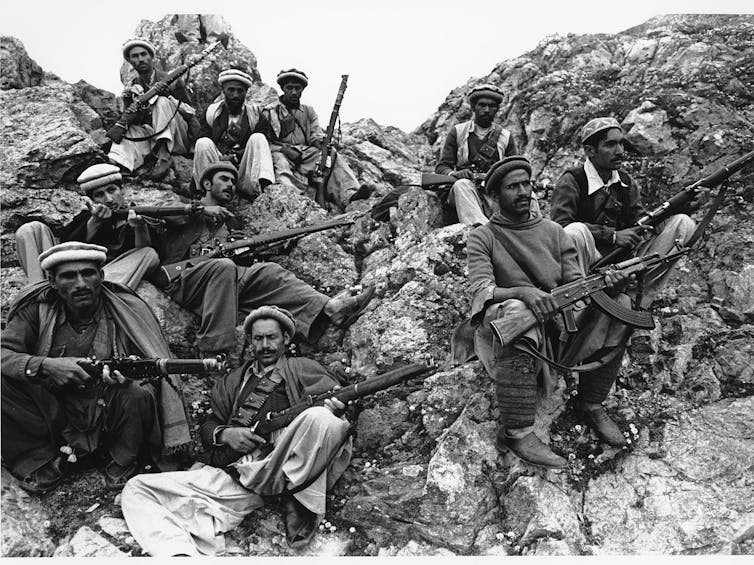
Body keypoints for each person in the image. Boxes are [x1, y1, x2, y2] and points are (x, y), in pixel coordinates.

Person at [121, 306, 352, 555]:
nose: (265, 345)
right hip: (237, 475)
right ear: (251, 341)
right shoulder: (235, 379)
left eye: (271, 337)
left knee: (324, 419)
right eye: (258, 338)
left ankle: (298, 501)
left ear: (285, 339)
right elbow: (209, 426)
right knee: (137, 489)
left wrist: (336, 410)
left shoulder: (303, 368)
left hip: (281, 464)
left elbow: (340, 406)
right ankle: (179, 553)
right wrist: (226, 434)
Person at [467, 156, 633, 469]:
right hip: (510, 337)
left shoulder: (555, 232)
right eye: (512, 186)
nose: (523, 192)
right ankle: (518, 430)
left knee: (621, 306)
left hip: (558, 333)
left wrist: (606, 287)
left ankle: (591, 402)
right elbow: (481, 290)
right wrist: (522, 292)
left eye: (526, 184)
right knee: (517, 308)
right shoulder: (483, 237)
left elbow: (577, 288)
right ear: (495, 196)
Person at [1, 242, 191, 493]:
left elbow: (154, 368)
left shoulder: (127, 309)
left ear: (101, 276)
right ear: (53, 282)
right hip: (53, 410)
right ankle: (42, 459)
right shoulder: (36, 311)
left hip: (107, 410)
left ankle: (122, 458)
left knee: (139, 391)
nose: (80, 283)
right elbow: (4, 353)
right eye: (69, 276)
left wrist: (124, 375)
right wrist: (46, 365)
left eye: (88, 273)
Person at [154, 162, 374, 357]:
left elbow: (241, 257)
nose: (230, 184)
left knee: (269, 271)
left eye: (233, 180)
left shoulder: (232, 223)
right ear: (207, 185)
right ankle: (213, 350)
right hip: (184, 281)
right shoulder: (184, 206)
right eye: (224, 179)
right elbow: (158, 215)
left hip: (224, 281)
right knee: (224, 267)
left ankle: (327, 309)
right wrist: (200, 211)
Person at [550, 117, 695, 306]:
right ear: (590, 151)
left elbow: (639, 222)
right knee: (574, 231)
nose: (620, 151)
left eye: (621, 143)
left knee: (683, 224)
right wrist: (612, 236)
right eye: (610, 145)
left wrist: (689, 205)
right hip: (586, 261)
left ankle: (636, 299)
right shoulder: (572, 181)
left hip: (622, 262)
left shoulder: (626, 182)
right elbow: (560, 227)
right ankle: (580, 302)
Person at [14, 163, 159, 289]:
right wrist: (95, 222)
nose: (108, 199)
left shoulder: (139, 215)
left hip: (103, 279)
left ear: (122, 190)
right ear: (92, 200)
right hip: (66, 279)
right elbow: (67, 248)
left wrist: (139, 227)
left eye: (111, 190)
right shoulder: (86, 218)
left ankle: (100, 294)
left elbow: (149, 260)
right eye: (100, 194)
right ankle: (42, 294)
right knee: (31, 229)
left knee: (148, 253)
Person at [261, 68, 371, 209]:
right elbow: (265, 142)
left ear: (302, 90)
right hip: (281, 152)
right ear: (283, 88)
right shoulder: (270, 112)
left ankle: (350, 195)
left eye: (297, 88)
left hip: (305, 154)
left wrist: (321, 142)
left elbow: (315, 135)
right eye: (289, 88)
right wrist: (284, 149)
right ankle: (293, 202)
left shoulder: (309, 111)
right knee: (280, 162)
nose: (294, 92)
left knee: (333, 157)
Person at [106, 38, 196, 180]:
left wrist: (169, 98)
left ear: (151, 57)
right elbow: (131, 118)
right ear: (129, 61)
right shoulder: (132, 86)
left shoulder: (171, 79)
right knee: (129, 130)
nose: (140, 59)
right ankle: (117, 164)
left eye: (143, 54)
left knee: (161, 101)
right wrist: (132, 101)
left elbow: (191, 112)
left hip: (176, 136)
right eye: (135, 56)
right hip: (151, 136)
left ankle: (164, 156)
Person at [435, 84, 522, 225]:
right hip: (465, 190)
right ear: (473, 107)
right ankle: (481, 231)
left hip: (493, 190)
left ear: (498, 109)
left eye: (492, 106)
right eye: (482, 105)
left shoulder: (506, 136)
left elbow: (515, 171)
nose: (487, 110)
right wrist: (455, 174)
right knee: (462, 185)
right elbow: (442, 167)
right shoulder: (458, 132)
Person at [192, 69, 275, 199]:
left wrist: (235, 157)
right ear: (223, 91)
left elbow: (262, 147)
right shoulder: (212, 113)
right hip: (218, 168)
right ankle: (204, 192)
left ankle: (264, 191)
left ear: (246, 93)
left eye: (240, 91)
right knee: (203, 143)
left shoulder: (255, 115)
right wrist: (222, 157)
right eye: (231, 90)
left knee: (258, 138)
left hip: (243, 171)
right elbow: (203, 139)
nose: (235, 95)